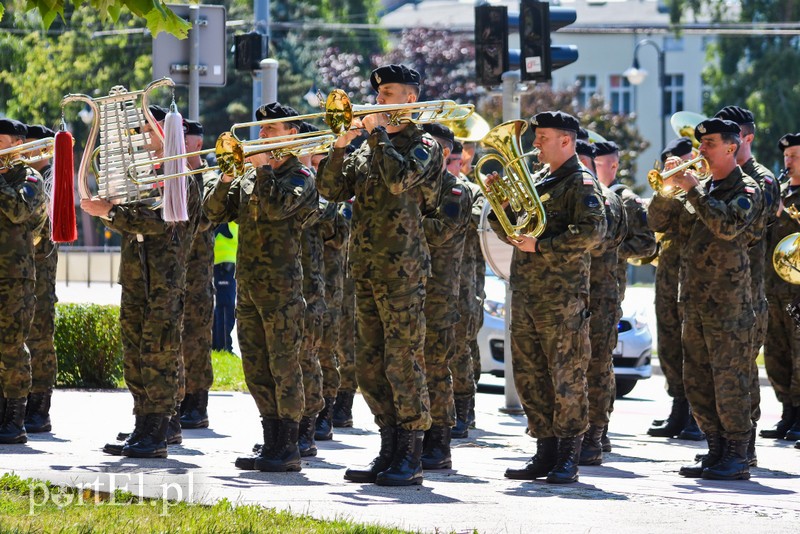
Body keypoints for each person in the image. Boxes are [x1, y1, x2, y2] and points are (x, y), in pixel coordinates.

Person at [317, 64, 443, 486]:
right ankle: (388, 448)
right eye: (378, 92)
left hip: (403, 272)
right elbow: (331, 189)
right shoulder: (371, 145)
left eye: (388, 93)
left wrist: (376, 134)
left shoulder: (424, 145)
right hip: (366, 269)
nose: (379, 99)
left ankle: (412, 453)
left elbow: (397, 181)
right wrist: (339, 145)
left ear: (411, 99)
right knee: (369, 365)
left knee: (402, 361)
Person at [490, 111, 606, 484]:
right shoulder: (540, 179)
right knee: (529, 374)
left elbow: (592, 232)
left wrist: (542, 246)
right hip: (526, 293)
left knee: (566, 376)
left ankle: (569, 454)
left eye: (542, 137)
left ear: (566, 142)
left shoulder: (581, 182)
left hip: (561, 297)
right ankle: (544, 450)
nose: (535, 143)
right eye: (535, 136)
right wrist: (501, 205)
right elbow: (510, 231)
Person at [81, 104, 201, 458]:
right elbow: (128, 221)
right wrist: (111, 210)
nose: (144, 140)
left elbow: (161, 221)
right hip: (135, 278)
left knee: (158, 354)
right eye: (142, 134)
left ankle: (160, 429)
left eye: (149, 132)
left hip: (164, 282)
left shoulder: (182, 179)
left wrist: (114, 212)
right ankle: (143, 424)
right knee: (134, 355)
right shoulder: (139, 176)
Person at [204, 102, 318, 473]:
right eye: (262, 129)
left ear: (292, 135)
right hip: (249, 285)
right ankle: (271, 440)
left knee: (284, 366)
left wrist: (265, 169)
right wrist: (225, 178)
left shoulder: (300, 176)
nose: (263, 135)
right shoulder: (251, 175)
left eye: (271, 130)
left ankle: (290, 444)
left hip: (282, 287)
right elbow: (214, 213)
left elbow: (276, 208)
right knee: (256, 366)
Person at [662, 118, 762, 481]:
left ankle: (738, 454)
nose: (700, 150)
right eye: (700, 143)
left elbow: (726, 227)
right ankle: (716, 449)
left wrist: (693, 191)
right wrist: (668, 188)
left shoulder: (747, 189)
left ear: (731, 148)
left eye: (709, 143)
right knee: (698, 379)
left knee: (730, 380)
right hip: (694, 301)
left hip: (730, 304)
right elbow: (658, 222)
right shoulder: (698, 188)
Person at [713, 106, 779, 463]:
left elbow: (746, 230)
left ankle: (744, 448)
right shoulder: (715, 177)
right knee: (716, 374)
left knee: (740, 372)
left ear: (746, 138)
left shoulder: (761, 180)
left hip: (748, 290)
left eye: (732, 135)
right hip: (714, 289)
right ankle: (721, 446)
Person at [418, 123, 472, 470]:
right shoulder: (413, 188)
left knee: (436, 368)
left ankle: (440, 442)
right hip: (407, 289)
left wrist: (402, 218)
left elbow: (440, 233)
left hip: (438, 293)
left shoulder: (456, 191)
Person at [580, 139, 628, 466]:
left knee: (596, 366)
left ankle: (594, 435)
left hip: (599, 298)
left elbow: (596, 241)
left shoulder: (606, 200)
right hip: (566, 297)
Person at [646, 137, 698, 439]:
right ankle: (678, 408)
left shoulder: (703, 188)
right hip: (669, 276)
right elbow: (654, 221)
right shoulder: (673, 192)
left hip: (695, 279)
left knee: (693, 348)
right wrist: (666, 187)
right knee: (669, 346)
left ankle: (697, 415)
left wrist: (691, 185)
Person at [0, 119, 46, 445]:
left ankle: (15, 420)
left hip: (14, 276)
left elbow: (18, 210)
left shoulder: (30, 177)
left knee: (11, 346)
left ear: (17, 143)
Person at [179, 119, 217, 430]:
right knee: (174, 339)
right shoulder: (173, 174)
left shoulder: (208, 177)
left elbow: (205, 217)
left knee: (196, 339)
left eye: (182, 139)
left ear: (196, 144)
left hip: (197, 271)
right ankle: (176, 399)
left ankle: (197, 403)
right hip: (174, 271)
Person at [763, 133, 800, 443]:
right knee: (776, 352)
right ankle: (788, 412)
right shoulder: (780, 192)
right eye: (787, 157)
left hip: (798, 290)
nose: (789, 162)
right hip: (775, 287)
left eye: (796, 156)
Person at [22, 124, 58, 434]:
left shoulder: (49, 177)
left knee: (40, 336)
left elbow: (38, 216)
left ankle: (40, 407)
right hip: (18, 266)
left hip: (40, 266)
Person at [212, 222, 237, 354]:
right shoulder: (227, 218)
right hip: (224, 266)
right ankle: (224, 346)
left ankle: (217, 345)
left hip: (224, 266)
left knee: (221, 307)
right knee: (226, 307)